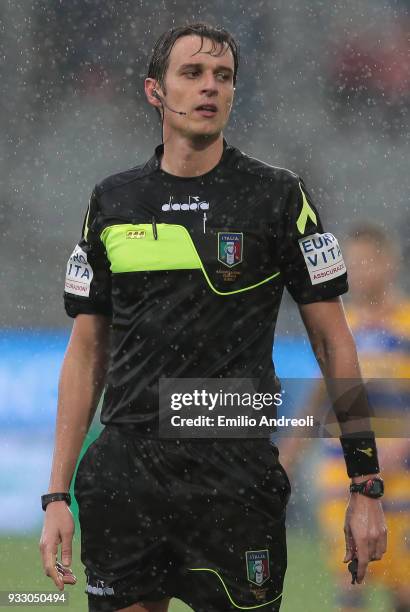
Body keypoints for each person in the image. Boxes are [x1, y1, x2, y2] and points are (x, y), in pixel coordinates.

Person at [39, 23, 387, 612]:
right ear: (156, 91)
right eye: (192, 74)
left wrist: (366, 484)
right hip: (128, 472)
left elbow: (334, 344)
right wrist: (55, 495)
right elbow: (86, 352)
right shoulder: (113, 201)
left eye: (223, 77)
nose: (210, 88)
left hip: (235, 474)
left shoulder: (278, 196)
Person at [281, 224, 410, 611]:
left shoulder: (405, 323)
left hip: (401, 477)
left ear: (391, 262)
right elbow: (317, 400)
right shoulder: (340, 328)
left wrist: (400, 447)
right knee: (351, 582)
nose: (360, 270)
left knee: (400, 591)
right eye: (352, 262)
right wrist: (285, 462)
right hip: (341, 476)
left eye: (368, 260)